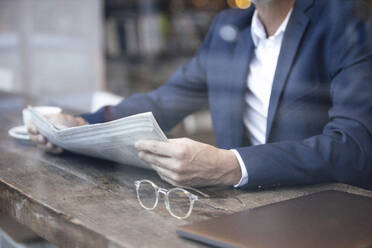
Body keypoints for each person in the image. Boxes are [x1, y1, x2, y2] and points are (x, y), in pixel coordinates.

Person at [28, 0, 372, 190]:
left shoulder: (348, 20)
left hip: (325, 211)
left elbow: (354, 147)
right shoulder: (230, 29)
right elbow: (163, 102)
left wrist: (230, 166)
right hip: (237, 210)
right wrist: (76, 125)